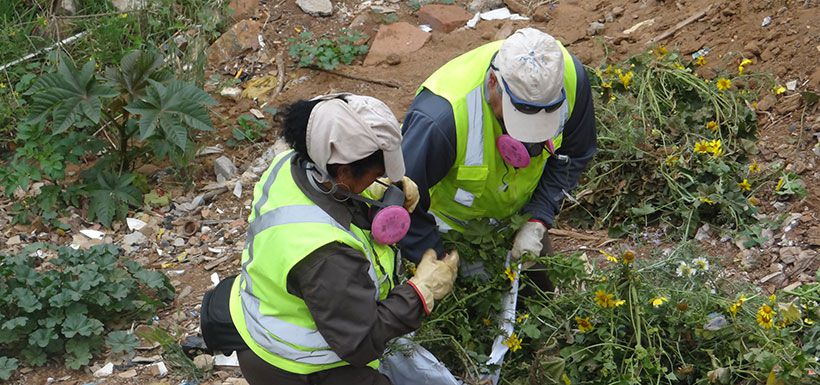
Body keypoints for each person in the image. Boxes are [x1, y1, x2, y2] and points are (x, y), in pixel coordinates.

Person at [226, 93, 460, 385]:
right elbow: (361, 343)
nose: (381, 181)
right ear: (344, 171)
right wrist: (418, 292)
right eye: (376, 175)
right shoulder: (324, 253)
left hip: (260, 322)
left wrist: (378, 192)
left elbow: (331, 197)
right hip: (293, 365)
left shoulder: (293, 163)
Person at [398, 28, 597, 270]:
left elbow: (574, 154)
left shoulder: (567, 77)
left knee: (538, 292)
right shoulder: (441, 119)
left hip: (519, 224)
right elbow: (401, 204)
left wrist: (538, 217)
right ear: (493, 82)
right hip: (449, 238)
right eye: (518, 122)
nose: (525, 140)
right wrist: (438, 264)